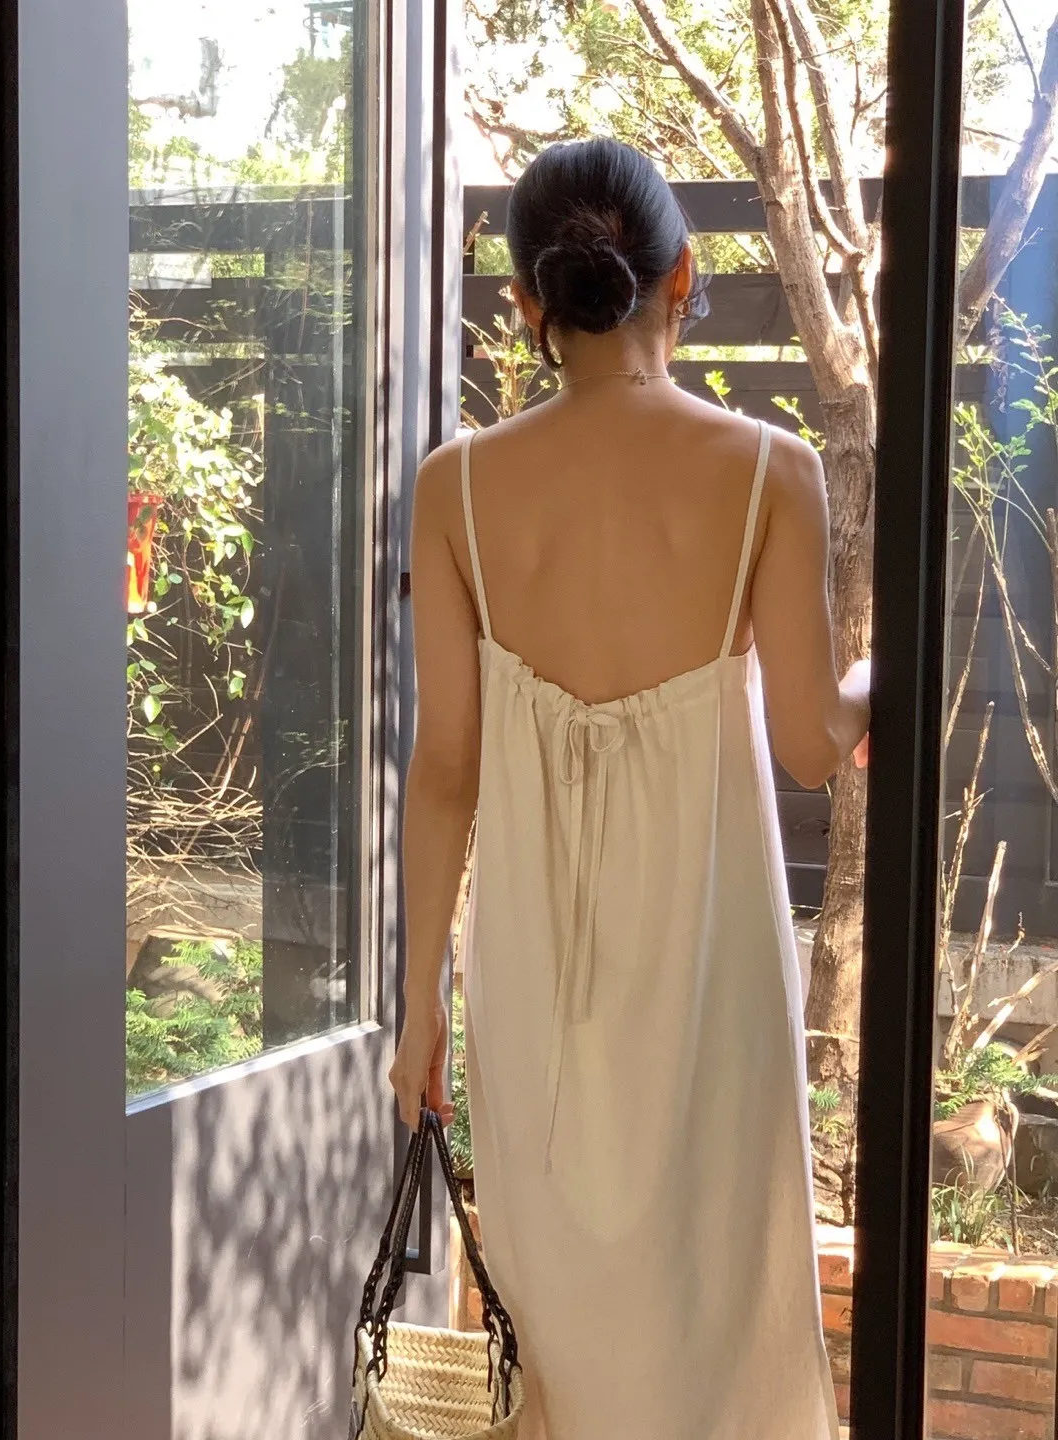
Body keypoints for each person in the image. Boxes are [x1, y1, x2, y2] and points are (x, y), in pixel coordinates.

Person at [390, 136, 870, 1440]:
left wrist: (421, 1005)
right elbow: (814, 745)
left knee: (559, 1341)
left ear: (526, 302)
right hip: (713, 983)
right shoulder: (770, 471)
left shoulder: (456, 488)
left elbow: (445, 770)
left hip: (532, 989)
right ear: (685, 276)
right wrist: (876, 678)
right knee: (713, 1331)